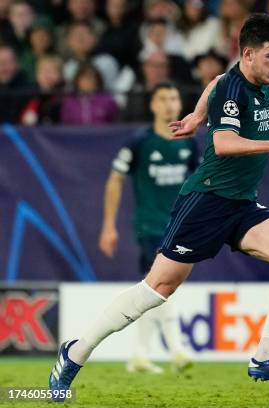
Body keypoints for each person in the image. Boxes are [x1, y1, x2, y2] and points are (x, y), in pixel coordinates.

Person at [49, 14, 269, 400]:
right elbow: (223, 143)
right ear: (248, 54)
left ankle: (266, 357)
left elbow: (213, 82)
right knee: (156, 290)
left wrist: (195, 115)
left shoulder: (251, 78)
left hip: (240, 202)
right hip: (206, 201)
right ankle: (75, 353)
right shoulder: (234, 88)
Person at [98, 82, 198, 374]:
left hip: (179, 226)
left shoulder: (188, 142)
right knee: (161, 287)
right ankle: (177, 350)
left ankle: (140, 354)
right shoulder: (139, 143)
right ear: (153, 105)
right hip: (150, 226)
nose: (169, 104)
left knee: (154, 289)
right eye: (163, 98)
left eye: (174, 98)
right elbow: (115, 180)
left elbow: (200, 183)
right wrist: (108, 226)